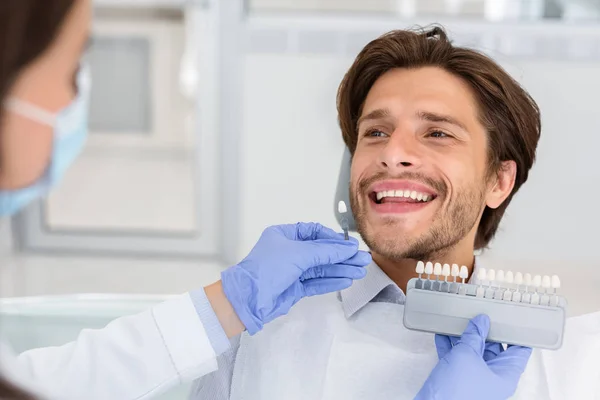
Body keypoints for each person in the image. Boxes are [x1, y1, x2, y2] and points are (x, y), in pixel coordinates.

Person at [0, 1, 372, 398]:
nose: (395, 154)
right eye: (72, 69)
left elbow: (43, 381)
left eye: (437, 134)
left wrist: (223, 307)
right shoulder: (275, 345)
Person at [190, 26, 540, 399]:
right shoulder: (256, 329)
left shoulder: (543, 360)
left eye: (437, 133)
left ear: (499, 181)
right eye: (375, 132)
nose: (392, 154)